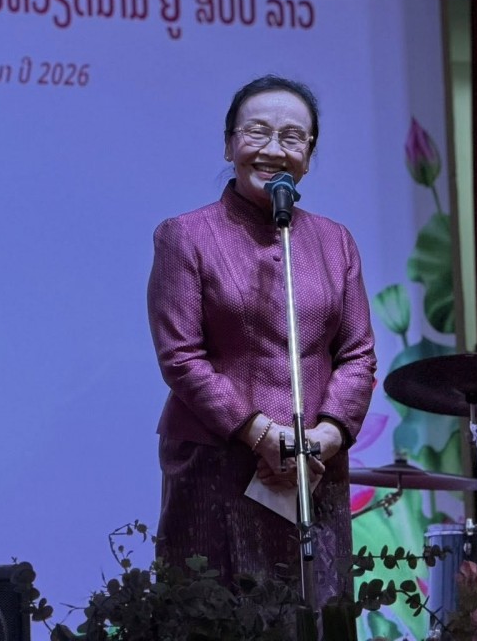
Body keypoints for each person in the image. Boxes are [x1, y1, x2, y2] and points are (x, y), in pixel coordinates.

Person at [146, 74, 376, 604]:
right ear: (229, 144)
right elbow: (180, 356)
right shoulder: (185, 235)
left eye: (293, 137)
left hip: (313, 469)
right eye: (258, 133)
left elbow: (358, 354)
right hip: (216, 466)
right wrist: (257, 432)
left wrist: (329, 434)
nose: (275, 150)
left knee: (316, 614)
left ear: (309, 155)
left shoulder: (334, 241)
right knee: (214, 618)